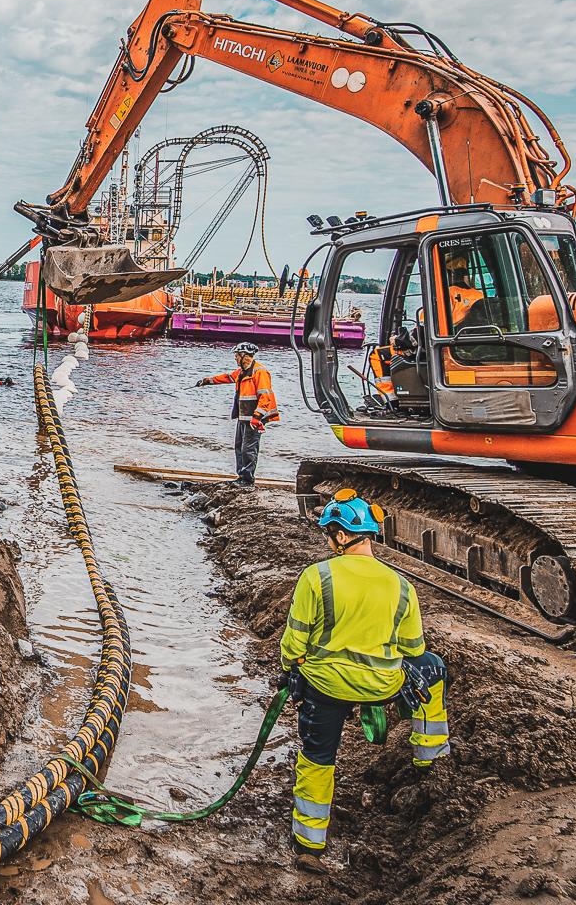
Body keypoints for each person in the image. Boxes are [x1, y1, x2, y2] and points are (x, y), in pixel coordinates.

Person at [281, 490, 451, 868]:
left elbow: (294, 644)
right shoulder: (401, 585)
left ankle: (310, 843)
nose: (328, 540)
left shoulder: (316, 576)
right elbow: (414, 648)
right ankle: (431, 756)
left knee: (317, 756)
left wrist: (291, 669)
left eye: (330, 533)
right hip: (383, 686)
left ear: (341, 536)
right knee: (434, 666)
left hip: (326, 686)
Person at [195, 342, 279, 485]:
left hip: (254, 418)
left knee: (248, 448)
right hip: (244, 416)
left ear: (245, 356)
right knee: (239, 446)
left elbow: (265, 396)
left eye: (236, 355)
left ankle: (247, 479)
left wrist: (257, 418)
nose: (235, 358)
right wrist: (207, 381)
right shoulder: (241, 372)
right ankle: (241, 476)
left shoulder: (260, 372)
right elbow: (227, 377)